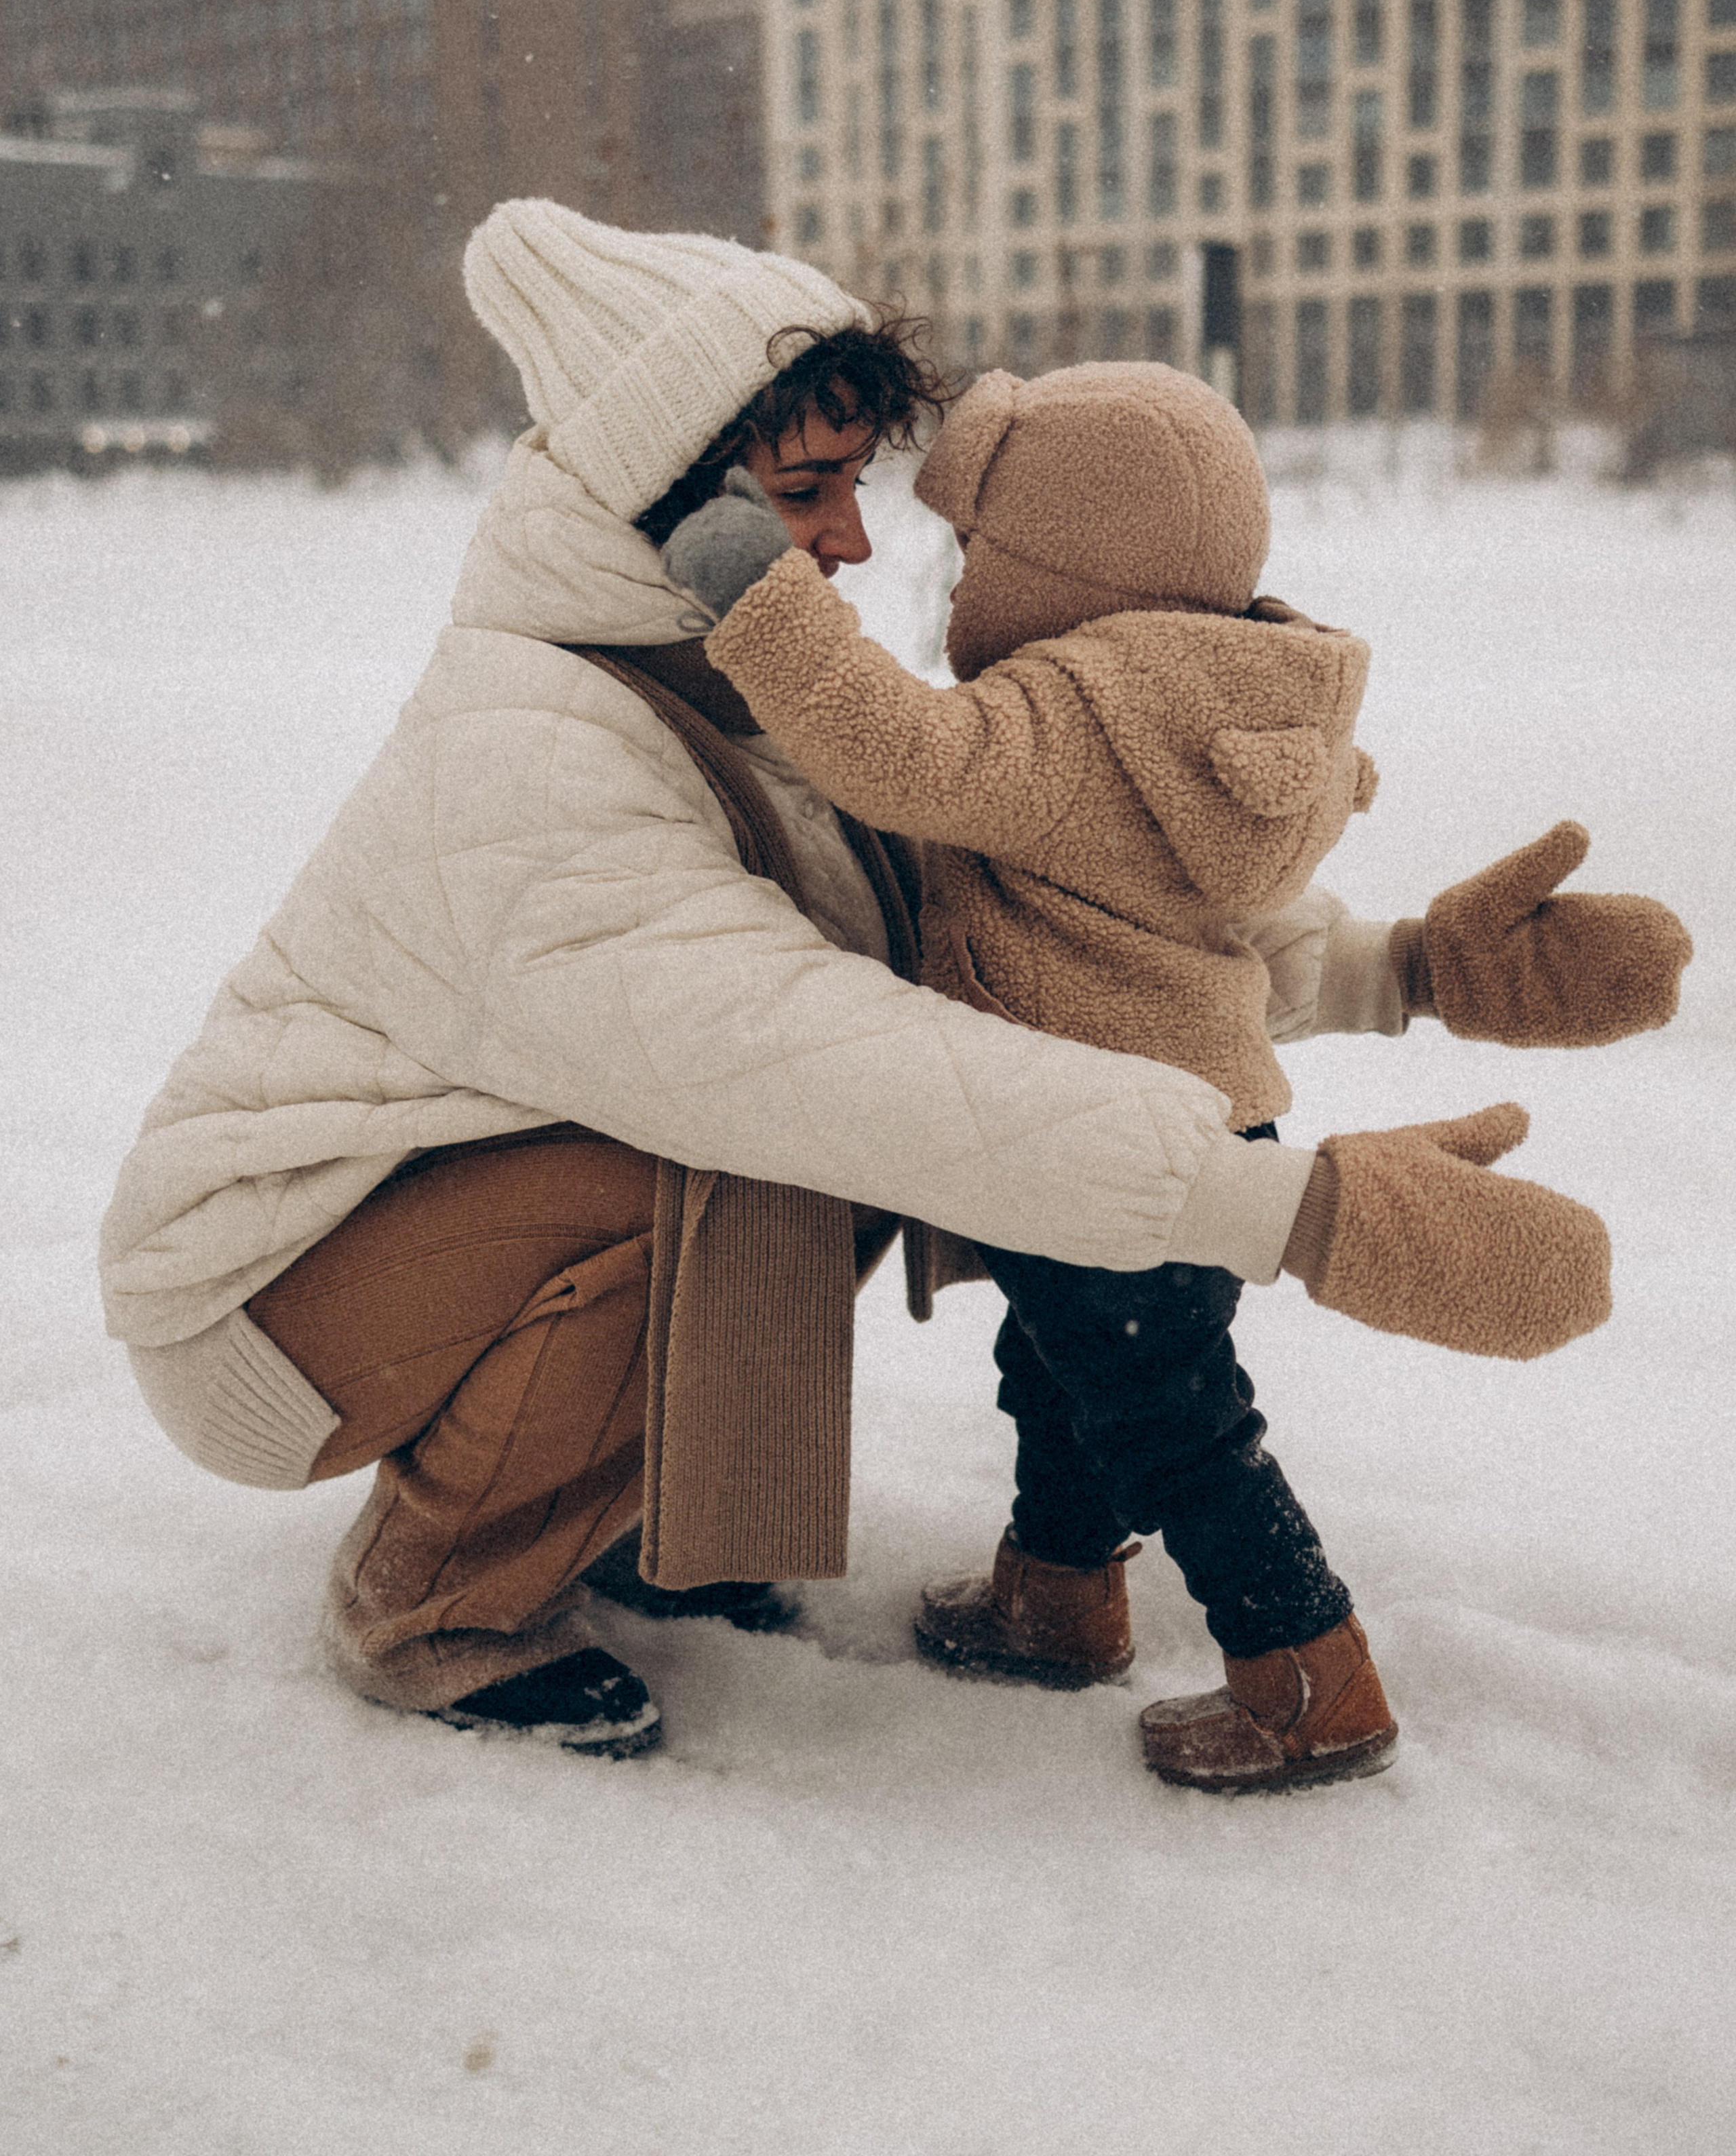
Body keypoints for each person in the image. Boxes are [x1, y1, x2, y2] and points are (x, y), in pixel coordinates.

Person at [100, 202, 1689, 1767]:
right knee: (741, 1140)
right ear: (665, 507)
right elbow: (829, 1061)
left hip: (439, 1208)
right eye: (806, 493)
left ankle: (637, 1515)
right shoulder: (527, 749)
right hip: (263, 1298)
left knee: (773, 1149)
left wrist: (1395, 972)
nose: (855, 545)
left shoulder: (731, 684)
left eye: (854, 487)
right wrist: (1282, 1216)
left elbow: (1029, 953)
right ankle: (434, 1604)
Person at [662, 355, 1686, 1790]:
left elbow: (897, 754)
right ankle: (1056, 1594)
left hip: (1100, 1140)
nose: (950, 594)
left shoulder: (1073, 712)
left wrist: (746, 580)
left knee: (1171, 1424)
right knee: (1076, 1375)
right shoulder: (1212, 703)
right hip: (1202, 1118)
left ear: (1065, 567)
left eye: (973, 557)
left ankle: (1306, 1677)